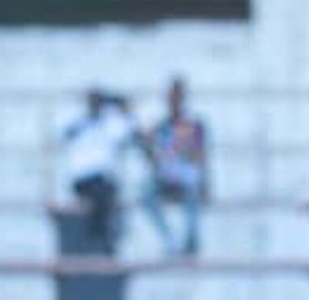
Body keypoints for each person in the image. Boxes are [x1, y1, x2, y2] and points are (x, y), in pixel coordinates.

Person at [58, 88, 142, 255]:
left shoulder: (110, 125)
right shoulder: (79, 123)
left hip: (103, 180)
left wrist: (123, 107)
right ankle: (99, 234)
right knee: (102, 191)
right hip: (83, 179)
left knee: (105, 190)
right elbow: (63, 134)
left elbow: (132, 133)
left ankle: (99, 233)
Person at [142, 77, 209, 258]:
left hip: (186, 177)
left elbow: (200, 155)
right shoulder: (161, 125)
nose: (173, 101)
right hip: (166, 176)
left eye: (177, 97)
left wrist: (205, 182)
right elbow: (151, 153)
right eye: (171, 97)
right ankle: (168, 239)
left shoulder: (193, 123)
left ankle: (191, 241)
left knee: (193, 193)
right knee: (145, 193)